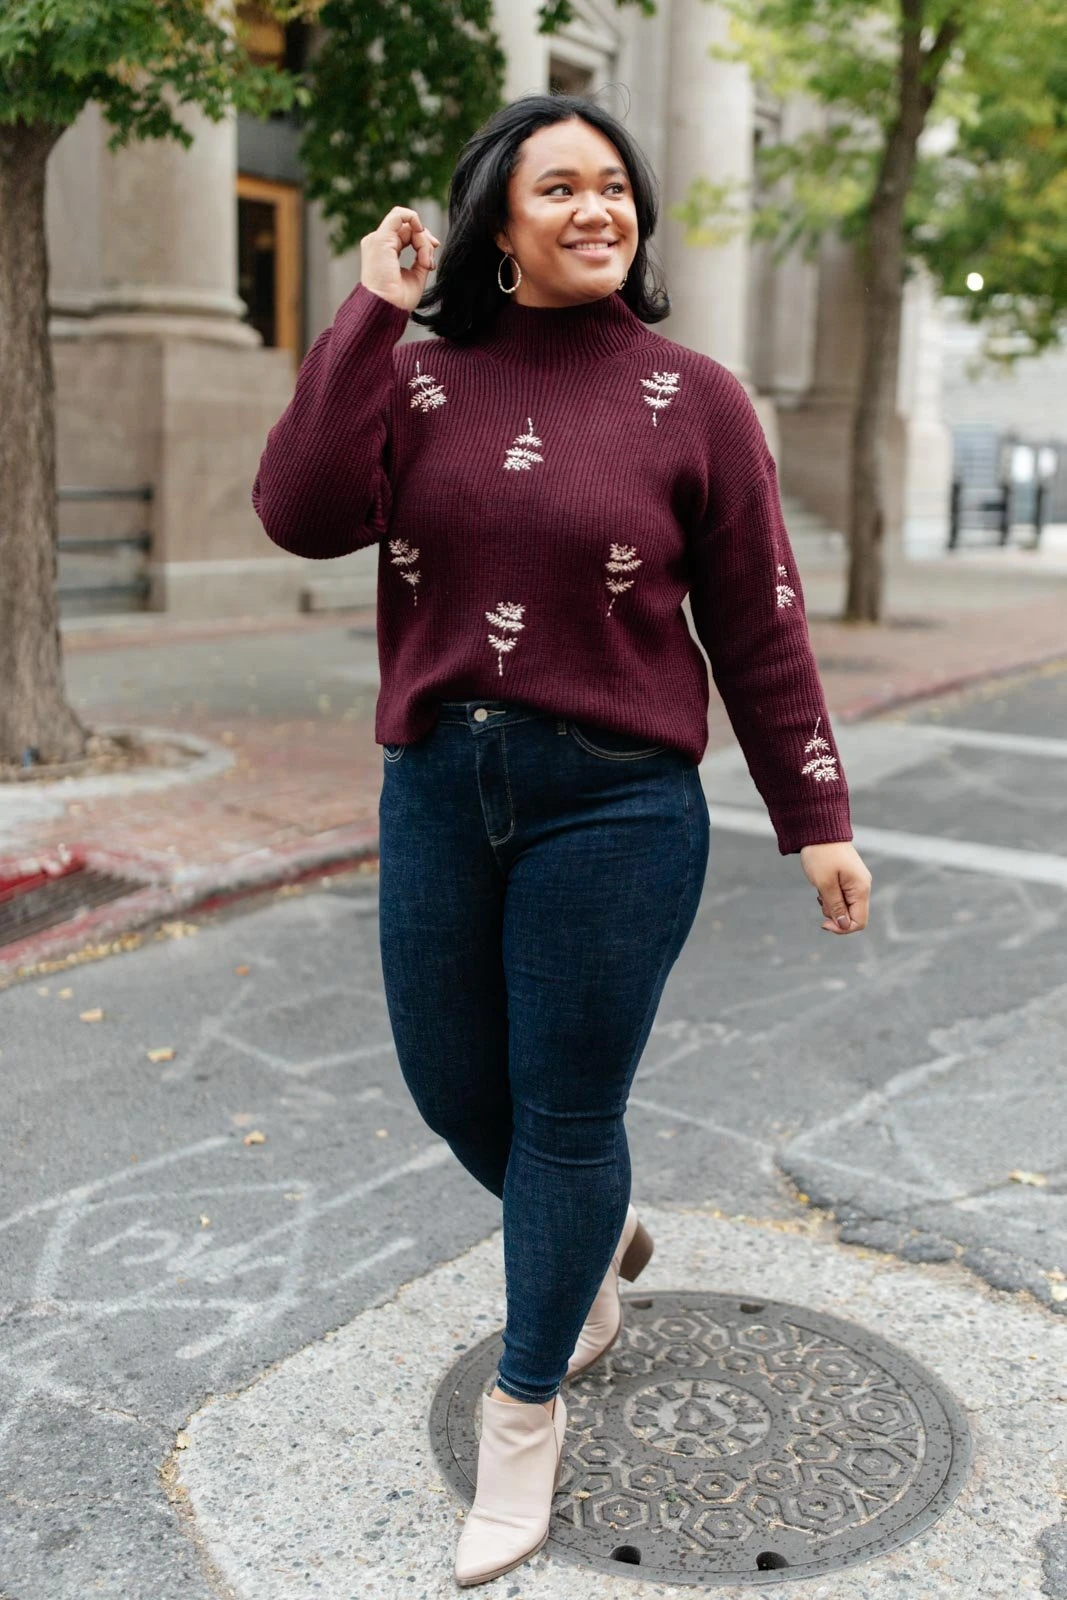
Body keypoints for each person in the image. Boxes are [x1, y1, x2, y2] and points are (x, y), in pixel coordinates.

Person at [252, 92, 872, 1590]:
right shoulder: (418, 381)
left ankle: (525, 1412)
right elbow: (297, 512)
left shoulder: (695, 397)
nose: (599, 209)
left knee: (567, 1117)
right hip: (436, 788)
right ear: (498, 226)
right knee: (452, 1086)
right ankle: (591, 1233)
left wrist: (816, 816)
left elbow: (760, 623)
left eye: (615, 186)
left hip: (617, 802)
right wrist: (368, 311)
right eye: (561, 189)